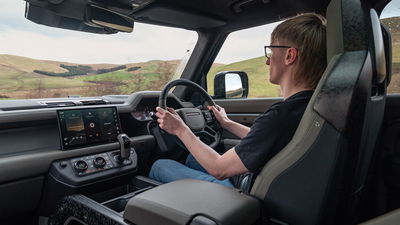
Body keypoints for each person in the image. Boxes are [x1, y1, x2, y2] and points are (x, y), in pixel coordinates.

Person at [149, 13, 327, 188]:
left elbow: (219, 169)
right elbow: (264, 138)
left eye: (271, 52)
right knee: (190, 158)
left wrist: (180, 129)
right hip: (263, 180)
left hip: (246, 192)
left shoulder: (281, 116)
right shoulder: (311, 106)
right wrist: (226, 123)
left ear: (290, 56)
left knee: (160, 166)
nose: (267, 62)